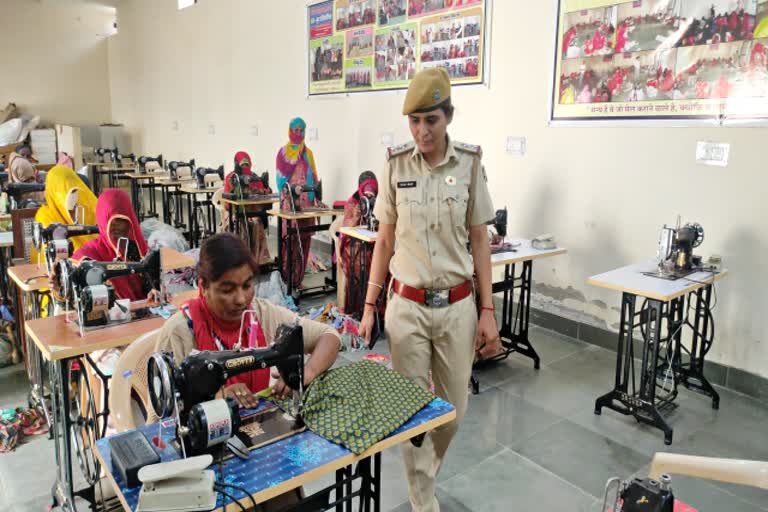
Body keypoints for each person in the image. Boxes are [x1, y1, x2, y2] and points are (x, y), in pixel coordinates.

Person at [358, 67, 500, 512]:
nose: (423, 131)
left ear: (449, 117)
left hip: (458, 306)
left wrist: (488, 310)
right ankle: (424, 502)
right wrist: (368, 305)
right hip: (408, 307)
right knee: (413, 415)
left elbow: (479, 239)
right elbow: (384, 239)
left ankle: (424, 477)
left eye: (432, 120)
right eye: (415, 121)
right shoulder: (396, 164)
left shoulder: (471, 164)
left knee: (453, 408)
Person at [155, 232, 340, 404]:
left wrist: (307, 372)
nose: (241, 299)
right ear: (203, 286)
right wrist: (216, 398)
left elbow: (329, 336)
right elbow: (161, 412)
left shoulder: (262, 314)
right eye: (227, 290)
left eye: (247, 285)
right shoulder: (179, 332)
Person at [71, 189, 156, 302]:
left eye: (120, 219)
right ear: (102, 221)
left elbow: (152, 285)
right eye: (110, 220)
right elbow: (72, 295)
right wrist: (59, 290)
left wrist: (154, 290)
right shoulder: (88, 255)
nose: (115, 225)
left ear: (130, 221)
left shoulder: (138, 250)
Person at [276, 117, 322, 291]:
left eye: (302, 130)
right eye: (295, 129)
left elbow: (314, 177)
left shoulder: (308, 153)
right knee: (290, 241)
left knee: (304, 240)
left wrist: (315, 199)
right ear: (289, 131)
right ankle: (287, 278)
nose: (299, 133)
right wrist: (289, 195)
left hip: (307, 203)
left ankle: (298, 278)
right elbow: (280, 182)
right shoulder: (282, 154)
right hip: (290, 203)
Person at [339, 171, 386, 317]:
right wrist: (357, 215)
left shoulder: (382, 201)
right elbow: (346, 230)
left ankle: (381, 310)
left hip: (374, 242)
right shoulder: (353, 202)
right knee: (362, 263)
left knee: (387, 260)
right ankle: (361, 307)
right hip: (351, 244)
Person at [32, 164, 97, 263]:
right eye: (64, 190)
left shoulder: (86, 207)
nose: (70, 195)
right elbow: (58, 257)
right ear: (54, 191)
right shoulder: (45, 217)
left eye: (74, 190)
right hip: (61, 268)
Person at [223, 151, 271, 265]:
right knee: (243, 224)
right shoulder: (231, 178)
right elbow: (226, 204)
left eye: (247, 165)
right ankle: (241, 260)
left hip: (252, 213)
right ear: (237, 164)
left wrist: (265, 189)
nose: (245, 168)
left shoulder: (254, 177)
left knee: (257, 222)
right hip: (233, 213)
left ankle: (257, 260)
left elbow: (264, 192)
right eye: (243, 165)